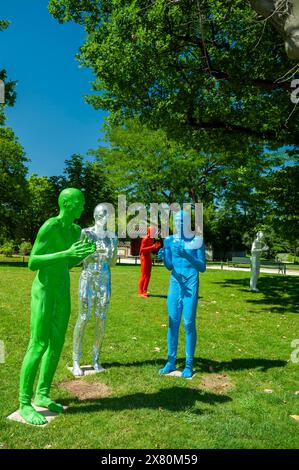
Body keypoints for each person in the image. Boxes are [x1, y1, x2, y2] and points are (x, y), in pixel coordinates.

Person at [19, 188, 96, 425]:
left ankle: (42, 393)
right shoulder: (50, 226)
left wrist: (83, 254)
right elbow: (33, 262)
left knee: (56, 343)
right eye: (80, 202)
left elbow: (68, 261)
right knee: (38, 343)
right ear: (68, 203)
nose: (83, 207)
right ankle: (24, 403)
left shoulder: (74, 230)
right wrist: (67, 251)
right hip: (44, 291)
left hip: (62, 289)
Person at [158, 211, 206, 378]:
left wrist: (187, 255)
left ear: (188, 223)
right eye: (176, 221)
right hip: (175, 283)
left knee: (188, 322)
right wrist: (164, 258)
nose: (178, 224)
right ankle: (170, 362)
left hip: (191, 281)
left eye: (182, 221)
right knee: (172, 322)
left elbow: (202, 267)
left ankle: (188, 364)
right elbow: (170, 266)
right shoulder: (169, 240)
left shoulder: (197, 240)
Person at [72, 203, 118, 376]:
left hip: (104, 279)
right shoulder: (86, 233)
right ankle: (76, 359)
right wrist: (89, 252)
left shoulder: (112, 237)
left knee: (101, 318)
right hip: (88, 277)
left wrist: (112, 250)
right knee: (83, 317)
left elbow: (112, 263)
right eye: (105, 215)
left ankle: (95, 358)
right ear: (97, 216)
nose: (107, 219)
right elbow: (77, 259)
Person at [138, 226, 161, 297]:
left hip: (148, 257)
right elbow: (141, 250)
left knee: (148, 274)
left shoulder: (151, 239)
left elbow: (149, 249)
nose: (154, 233)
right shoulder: (145, 239)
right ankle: (140, 292)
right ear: (149, 231)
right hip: (144, 258)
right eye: (153, 231)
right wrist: (152, 247)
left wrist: (155, 247)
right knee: (144, 274)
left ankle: (145, 290)